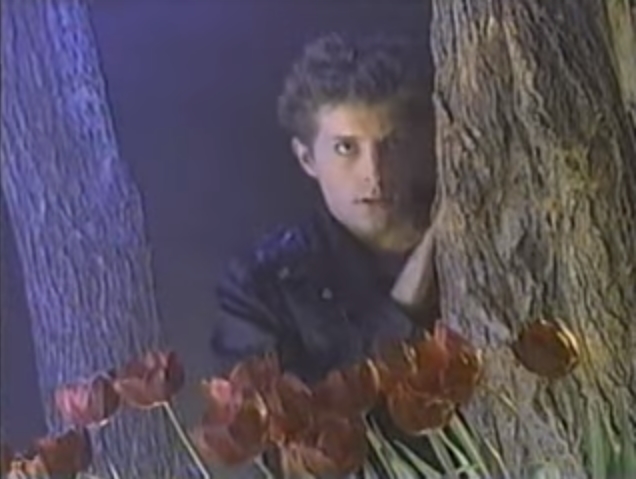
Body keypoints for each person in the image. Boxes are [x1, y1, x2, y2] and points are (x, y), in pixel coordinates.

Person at [209, 32, 444, 477]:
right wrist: (402, 312)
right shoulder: (262, 283)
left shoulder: (485, 240)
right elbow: (276, 456)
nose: (374, 174)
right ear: (306, 158)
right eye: (346, 148)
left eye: (391, 143)